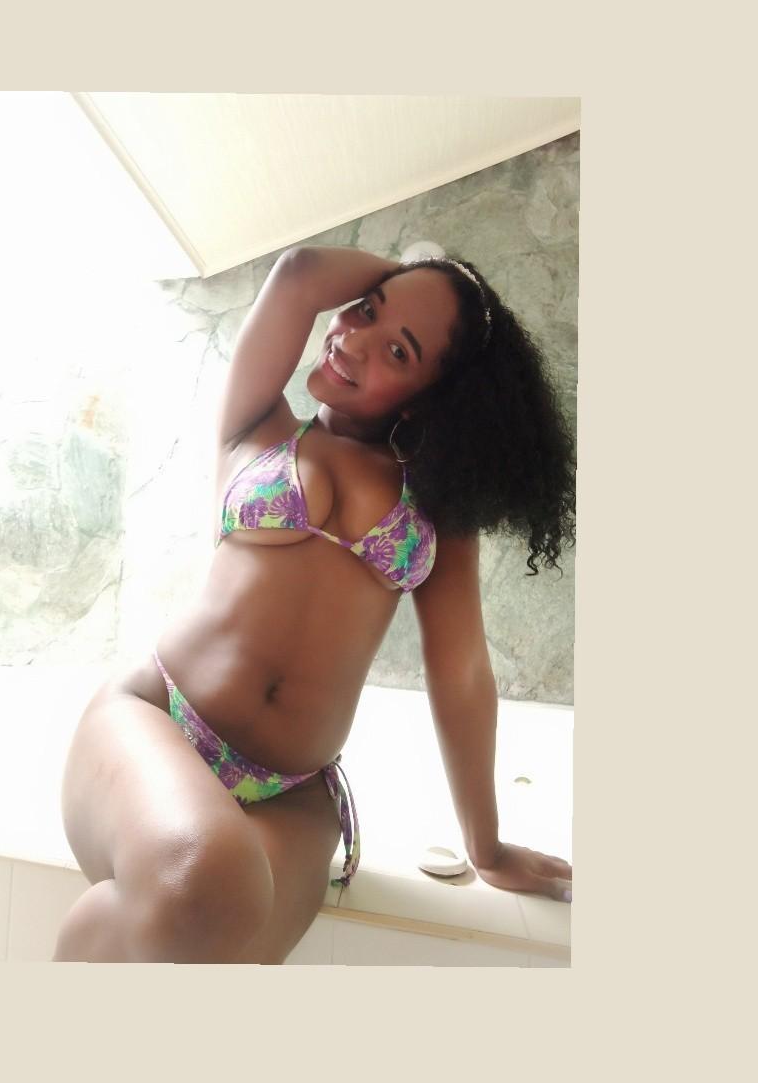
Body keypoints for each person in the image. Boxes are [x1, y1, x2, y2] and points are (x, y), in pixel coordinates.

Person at [53, 243, 576, 963]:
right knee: (209, 883)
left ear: (430, 397)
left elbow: (460, 675)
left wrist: (485, 847)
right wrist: (419, 274)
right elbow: (299, 275)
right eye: (365, 310)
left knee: (225, 942)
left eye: (398, 350)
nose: (354, 340)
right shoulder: (257, 424)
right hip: (158, 718)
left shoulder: (437, 511)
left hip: (293, 790)